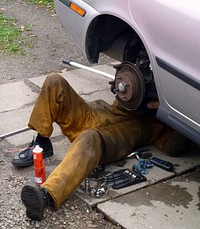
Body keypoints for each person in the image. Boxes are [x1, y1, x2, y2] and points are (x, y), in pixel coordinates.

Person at [12, 72, 188, 221]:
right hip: (97, 114)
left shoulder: (164, 124)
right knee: (54, 80)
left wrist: (166, 109)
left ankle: (47, 195)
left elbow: (174, 147)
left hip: (114, 137)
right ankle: (42, 142)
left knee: (89, 139)